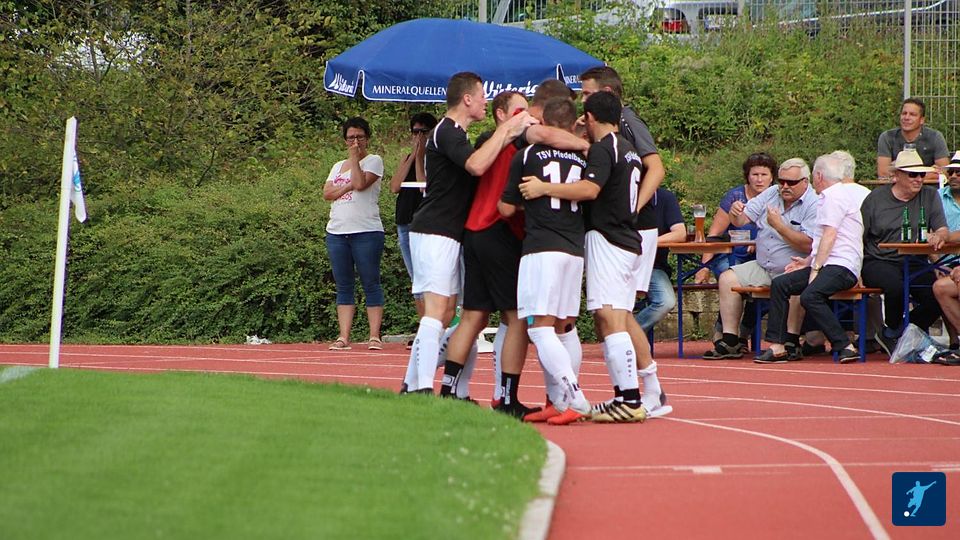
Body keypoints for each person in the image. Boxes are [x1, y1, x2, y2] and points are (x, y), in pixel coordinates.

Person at [438, 86, 587, 413]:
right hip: (499, 230)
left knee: (474, 316)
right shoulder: (524, 134)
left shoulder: (494, 139)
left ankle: (449, 389)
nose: (524, 116)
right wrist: (586, 145)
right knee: (518, 318)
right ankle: (507, 397)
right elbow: (508, 204)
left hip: (475, 229)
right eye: (519, 110)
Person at [519, 91, 650, 424]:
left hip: (609, 239)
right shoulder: (628, 148)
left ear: (590, 118)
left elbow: (589, 190)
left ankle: (629, 398)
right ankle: (625, 396)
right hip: (627, 237)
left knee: (610, 317)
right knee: (613, 317)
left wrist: (545, 188)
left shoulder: (605, 149)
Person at [402, 72, 535, 394]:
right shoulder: (446, 130)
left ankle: (420, 385)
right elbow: (476, 165)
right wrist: (508, 129)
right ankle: (421, 388)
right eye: (482, 96)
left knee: (450, 313)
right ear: (467, 99)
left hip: (450, 233)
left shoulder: (458, 134)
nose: (486, 102)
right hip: (434, 229)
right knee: (436, 311)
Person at [579, 65, 668, 419]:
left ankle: (632, 395)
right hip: (625, 230)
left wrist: (633, 207)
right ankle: (644, 390)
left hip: (622, 229)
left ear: (606, 95)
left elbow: (656, 167)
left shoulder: (625, 125)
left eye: (587, 94)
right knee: (618, 312)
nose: (582, 102)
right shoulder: (617, 142)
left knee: (613, 312)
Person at [500, 96, 594, 425]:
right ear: (571, 124)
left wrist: (531, 202)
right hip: (574, 247)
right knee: (565, 328)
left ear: (544, 122)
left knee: (539, 329)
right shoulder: (584, 157)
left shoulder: (527, 154)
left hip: (542, 247)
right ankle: (558, 400)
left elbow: (506, 207)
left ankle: (576, 397)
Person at [702, 158, 819, 360]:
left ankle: (790, 340)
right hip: (764, 265)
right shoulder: (772, 193)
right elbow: (742, 220)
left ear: (805, 182)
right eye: (782, 181)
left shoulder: (814, 203)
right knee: (728, 278)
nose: (784, 186)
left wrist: (779, 226)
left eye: (791, 183)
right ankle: (730, 340)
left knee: (794, 284)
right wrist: (735, 213)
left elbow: (808, 245)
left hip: (795, 265)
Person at [756, 154, 866, 364]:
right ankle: (777, 345)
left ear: (819, 176)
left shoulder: (834, 197)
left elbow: (830, 236)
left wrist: (815, 267)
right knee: (780, 284)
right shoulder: (829, 196)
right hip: (829, 264)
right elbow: (823, 239)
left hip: (842, 266)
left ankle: (845, 345)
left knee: (810, 296)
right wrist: (807, 262)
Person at [863, 148, 949, 356]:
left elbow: (942, 228)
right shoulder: (875, 199)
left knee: (937, 294)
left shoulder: (930, 195)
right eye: (913, 174)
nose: (919, 179)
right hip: (879, 259)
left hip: (915, 260)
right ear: (897, 175)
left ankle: (898, 333)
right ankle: (892, 330)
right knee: (895, 286)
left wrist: (938, 236)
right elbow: (860, 235)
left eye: (922, 174)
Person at [323, 117, 386, 351]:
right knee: (343, 284)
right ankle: (344, 336)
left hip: (366, 231)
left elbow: (359, 184)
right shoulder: (337, 166)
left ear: (367, 138)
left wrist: (354, 161)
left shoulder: (374, 161)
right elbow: (327, 193)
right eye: (351, 138)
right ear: (344, 140)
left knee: (370, 282)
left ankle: (374, 336)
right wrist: (347, 185)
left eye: (359, 137)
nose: (355, 142)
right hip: (337, 231)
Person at [390, 112, 438, 345]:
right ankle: (423, 327)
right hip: (404, 222)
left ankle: (430, 328)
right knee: (415, 278)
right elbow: (394, 186)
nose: (419, 136)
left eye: (423, 132)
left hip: (423, 224)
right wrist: (411, 157)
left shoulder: (435, 159)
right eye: (415, 132)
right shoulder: (407, 157)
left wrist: (420, 157)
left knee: (425, 277)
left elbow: (422, 186)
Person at [695, 152, 778, 283]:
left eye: (764, 175)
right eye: (755, 175)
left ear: (772, 177)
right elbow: (715, 234)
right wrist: (704, 267)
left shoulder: (779, 198)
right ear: (747, 176)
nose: (759, 180)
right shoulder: (735, 196)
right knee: (731, 275)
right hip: (732, 255)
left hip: (766, 257)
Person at [634, 187, 686, 332]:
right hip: (621, 265)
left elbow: (680, 233)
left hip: (653, 266)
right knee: (615, 306)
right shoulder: (619, 194)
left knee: (666, 302)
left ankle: (629, 335)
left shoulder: (665, 197)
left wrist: (648, 242)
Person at [928, 152, 960, 350]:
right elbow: (926, 232)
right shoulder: (936, 197)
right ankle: (955, 343)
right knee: (939, 285)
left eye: (959, 172)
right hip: (941, 261)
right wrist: (936, 263)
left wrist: (946, 236)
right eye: (950, 172)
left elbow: (941, 235)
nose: (954, 176)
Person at [877, 97, 950, 180]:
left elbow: (944, 172)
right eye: (904, 113)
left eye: (912, 114)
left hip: (928, 186)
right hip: (895, 186)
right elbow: (883, 173)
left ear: (922, 120)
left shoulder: (935, 137)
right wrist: (927, 172)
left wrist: (899, 173)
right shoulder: (887, 137)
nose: (906, 118)